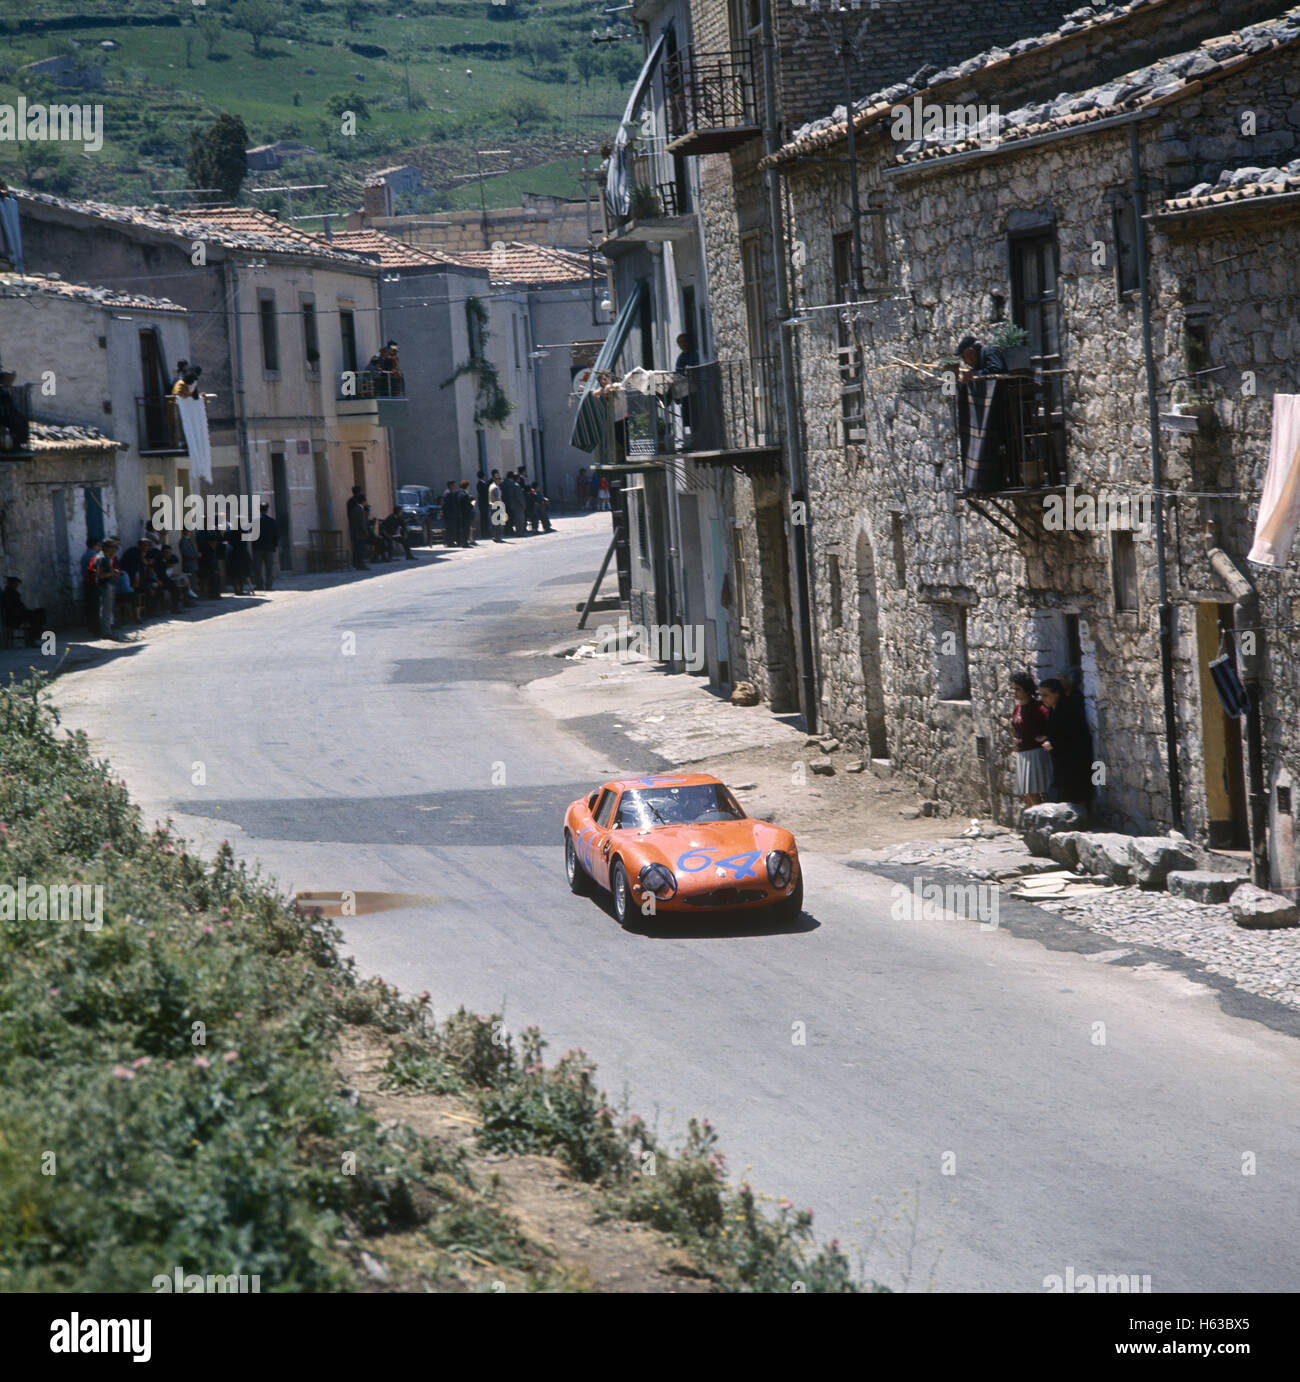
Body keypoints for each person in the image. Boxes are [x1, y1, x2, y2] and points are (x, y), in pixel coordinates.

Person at [1039, 676, 1094, 811]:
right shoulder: (1053, 710)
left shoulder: (1068, 709)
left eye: (1046, 695)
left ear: (1057, 694)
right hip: (1061, 760)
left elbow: (1073, 734)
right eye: (1041, 695)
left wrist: (1053, 743)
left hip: (1074, 759)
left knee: (1076, 791)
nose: (1043, 699)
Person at [1010, 671, 1051, 808]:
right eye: (1014, 688)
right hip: (1022, 752)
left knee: (1032, 792)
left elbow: (1052, 725)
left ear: (1027, 690)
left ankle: (1041, 820)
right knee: (1027, 792)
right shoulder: (1018, 708)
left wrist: (1046, 737)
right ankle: (1033, 821)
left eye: (1018, 689)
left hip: (1035, 752)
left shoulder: (1038, 708)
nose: (1014, 692)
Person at [2, 576, 45, 647]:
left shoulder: (12, 593)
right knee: (36, 616)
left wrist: (27, 611)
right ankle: (31, 639)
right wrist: (26, 612)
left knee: (40, 612)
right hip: (13, 618)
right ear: (11, 584)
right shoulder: (9, 594)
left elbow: (19, 607)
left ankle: (33, 637)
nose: (16, 585)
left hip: (18, 615)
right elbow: (12, 609)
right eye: (15, 584)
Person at [251, 502, 278, 591]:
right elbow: (275, 535)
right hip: (269, 548)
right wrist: (274, 546)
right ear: (267, 509)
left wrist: (253, 545)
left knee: (258, 568)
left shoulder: (255, 521)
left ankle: (259, 585)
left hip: (257, 548)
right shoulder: (271, 521)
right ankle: (268, 586)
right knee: (269, 569)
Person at [80, 536, 102, 632]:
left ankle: (91, 627)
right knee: (95, 606)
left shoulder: (84, 555)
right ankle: (96, 627)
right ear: (94, 545)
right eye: (98, 545)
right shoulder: (95, 556)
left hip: (86, 582)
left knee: (89, 605)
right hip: (94, 583)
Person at [346, 486, 370, 569]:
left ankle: (356, 563)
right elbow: (361, 522)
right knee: (359, 548)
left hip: (354, 527)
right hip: (358, 530)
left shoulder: (350, 502)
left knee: (356, 548)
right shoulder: (357, 508)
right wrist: (365, 532)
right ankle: (360, 564)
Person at [441, 480, 461, 547]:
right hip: (449, 514)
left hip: (451, 514)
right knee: (450, 529)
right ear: (450, 485)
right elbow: (447, 505)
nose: (455, 486)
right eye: (454, 485)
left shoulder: (450, 493)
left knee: (452, 528)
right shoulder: (448, 493)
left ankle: (451, 542)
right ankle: (450, 543)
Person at [457, 480, 476, 547]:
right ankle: (465, 543)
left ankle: (462, 542)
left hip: (460, 514)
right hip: (465, 514)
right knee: (466, 529)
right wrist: (473, 504)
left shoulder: (459, 493)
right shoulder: (465, 494)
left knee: (462, 529)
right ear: (467, 486)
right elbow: (468, 506)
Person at [488, 470, 505, 542]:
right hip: (496, 506)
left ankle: (496, 537)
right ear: (494, 479)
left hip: (493, 505)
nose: (500, 480)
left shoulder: (492, 485)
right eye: (498, 478)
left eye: (500, 478)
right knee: (498, 523)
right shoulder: (495, 487)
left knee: (495, 522)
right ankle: (497, 537)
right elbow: (497, 498)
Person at [477, 473, 491, 540]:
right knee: (484, 519)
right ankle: (485, 533)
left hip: (484, 503)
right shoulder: (480, 483)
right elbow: (484, 493)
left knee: (485, 518)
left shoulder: (482, 483)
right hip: (483, 503)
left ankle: (486, 532)